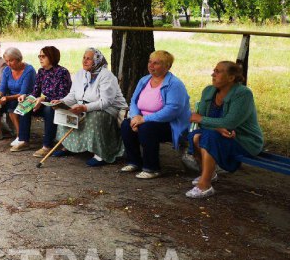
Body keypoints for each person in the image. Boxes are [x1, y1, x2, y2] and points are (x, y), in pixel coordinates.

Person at [185, 61, 263, 199]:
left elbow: (230, 122)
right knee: (195, 136)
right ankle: (209, 174)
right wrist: (216, 127)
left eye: (218, 71)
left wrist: (203, 120)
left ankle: (205, 186)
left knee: (209, 137)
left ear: (231, 77)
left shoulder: (243, 94)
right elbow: (200, 121)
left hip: (244, 140)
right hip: (218, 135)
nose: (212, 74)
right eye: (213, 70)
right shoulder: (209, 91)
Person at [120, 50, 190, 179]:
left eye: (156, 63)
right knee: (126, 125)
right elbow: (134, 101)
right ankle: (134, 162)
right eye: (150, 62)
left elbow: (172, 110)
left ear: (167, 66)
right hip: (143, 120)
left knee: (147, 128)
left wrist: (144, 119)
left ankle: (152, 168)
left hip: (170, 124)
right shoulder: (144, 80)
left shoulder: (175, 84)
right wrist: (135, 117)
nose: (151, 65)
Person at [54, 48, 128, 166]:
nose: (85, 61)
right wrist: (61, 102)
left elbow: (106, 102)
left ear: (97, 61)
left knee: (94, 117)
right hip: (83, 105)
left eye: (89, 59)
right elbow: (73, 95)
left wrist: (84, 108)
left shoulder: (106, 76)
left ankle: (100, 154)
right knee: (65, 112)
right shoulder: (80, 74)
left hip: (107, 109)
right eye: (84, 58)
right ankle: (69, 146)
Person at [18, 46, 72, 157]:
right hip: (46, 102)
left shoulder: (62, 72)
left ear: (51, 57)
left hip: (59, 105)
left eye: (43, 56)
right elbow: (35, 92)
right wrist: (26, 96)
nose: (40, 59)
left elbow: (63, 96)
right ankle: (23, 140)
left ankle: (47, 146)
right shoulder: (41, 71)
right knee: (26, 104)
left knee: (49, 109)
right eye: (39, 56)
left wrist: (44, 99)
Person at [0, 47, 36, 150]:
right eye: (6, 61)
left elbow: (23, 93)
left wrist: (6, 98)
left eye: (11, 60)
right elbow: (2, 89)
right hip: (9, 97)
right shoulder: (7, 70)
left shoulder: (29, 70)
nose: (8, 64)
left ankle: (19, 136)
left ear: (19, 59)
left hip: (25, 98)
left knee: (12, 106)